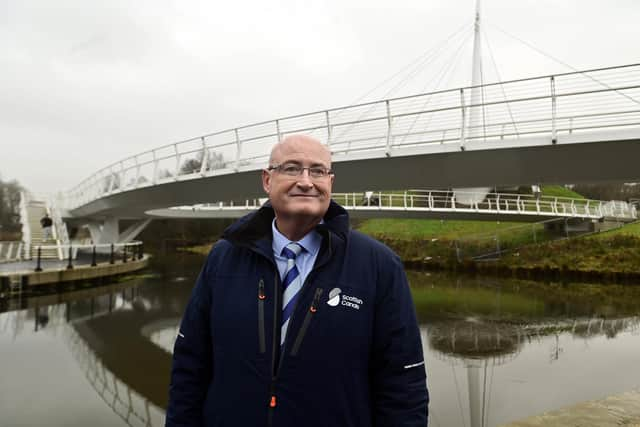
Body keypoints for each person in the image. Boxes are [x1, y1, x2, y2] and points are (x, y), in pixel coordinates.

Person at [166, 134, 429, 427]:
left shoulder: (379, 266)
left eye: (318, 171)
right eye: (292, 168)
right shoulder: (224, 258)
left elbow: (403, 383)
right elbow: (190, 366)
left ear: (330, 182)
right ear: (267, 180)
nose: (306, 181)